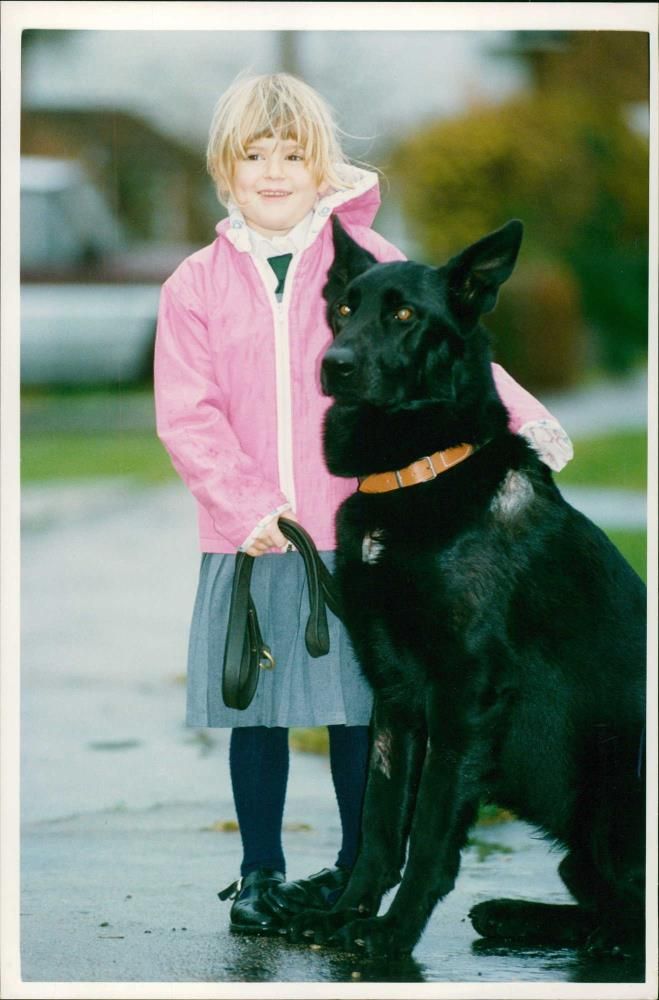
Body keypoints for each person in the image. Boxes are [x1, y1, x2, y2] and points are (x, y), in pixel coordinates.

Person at [154, 72, 574, 936]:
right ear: (223, 171)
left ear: (323, 167)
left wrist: (526, 420)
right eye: (252, 155)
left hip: (364, 531)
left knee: (365, 707)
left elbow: (450, 346)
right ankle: (260, 874)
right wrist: (245, 508)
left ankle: (359, 867)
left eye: (292, 153)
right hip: (256, 542)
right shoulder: (193, 286)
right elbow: (185, 413)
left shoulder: (368, 263)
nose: (273, 171)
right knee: (257, 711)